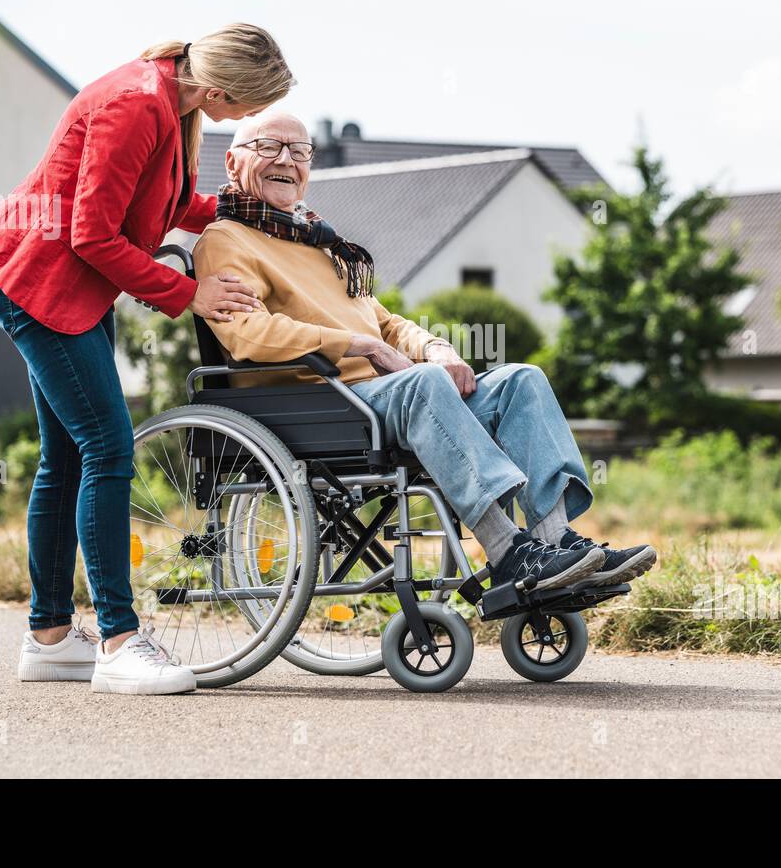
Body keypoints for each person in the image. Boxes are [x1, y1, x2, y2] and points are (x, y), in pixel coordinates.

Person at [192, 112, 658, 593]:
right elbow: (247, 333)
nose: (286, 160)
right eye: (269, 147)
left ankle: (556, 547)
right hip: (317, 402)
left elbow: (386, 322)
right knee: (423, 383)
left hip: (381, 397)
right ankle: (507, 552)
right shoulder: (225, 240)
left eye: (299, 151)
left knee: (521, 380)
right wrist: (360, 345)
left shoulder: (315, 241)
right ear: (232, 163)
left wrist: (436, 348)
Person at [0, 24, 294, 695]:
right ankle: (120, 642)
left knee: (65, 461)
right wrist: (191, 294)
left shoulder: (173, 103)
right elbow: (92, 234)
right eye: (247, 108)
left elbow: (170, 204)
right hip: (44, 288)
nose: (247, 121)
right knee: (109, 449)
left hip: (67, 294)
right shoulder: (136, 106)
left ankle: (50, 637)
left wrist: (246, 213)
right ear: (219, 89)